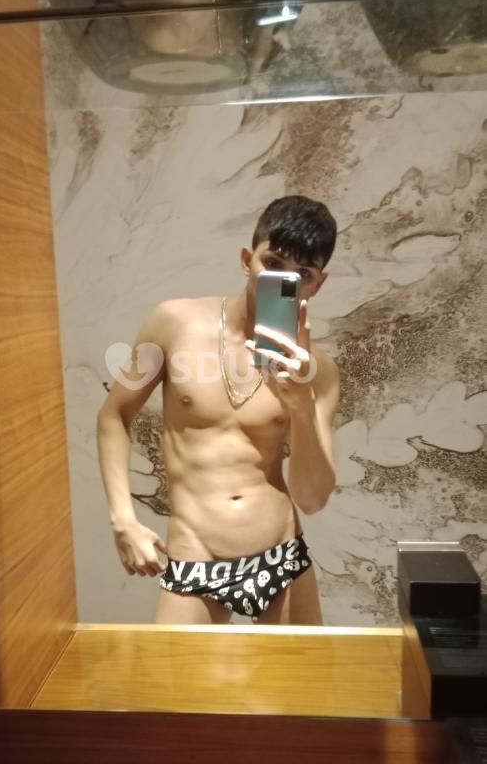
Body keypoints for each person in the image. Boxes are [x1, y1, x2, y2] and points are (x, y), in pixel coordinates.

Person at [96, 195, 340, 625]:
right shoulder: (174, 324)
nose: (284, 280)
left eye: (302, 274)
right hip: (195, 553)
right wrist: (123, 519)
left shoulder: (318, 371)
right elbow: (114, 415)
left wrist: (300, 406)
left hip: (281, 553)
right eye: (273, 263)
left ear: (317, 284)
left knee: (301, 673)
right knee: (174, 672)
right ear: (247, 260)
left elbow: (312, 498)